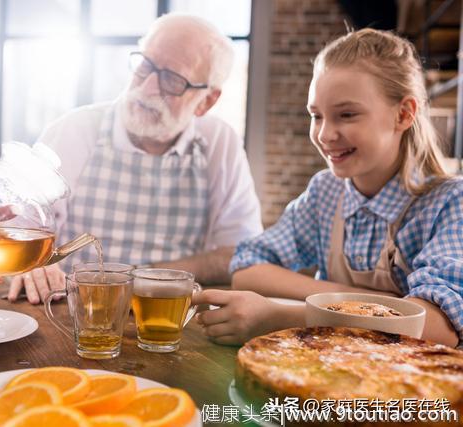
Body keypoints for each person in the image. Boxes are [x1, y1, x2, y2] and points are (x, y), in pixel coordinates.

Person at [193, 28, 463, 348]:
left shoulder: (450, 202)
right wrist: (367, 300)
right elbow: (247, 267)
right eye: (317, 116)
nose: (324, 134)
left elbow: (438, 324)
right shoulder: (326, 192)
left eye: (346, 115)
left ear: (404, 114)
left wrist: (278, 316)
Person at [8, 13, 263, 304]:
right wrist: (31, 265)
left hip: (169, 314)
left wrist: (142, 280)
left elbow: (240, 254)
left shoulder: (219, 142)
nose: (148, 88)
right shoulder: (74, 130)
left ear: (206, 101)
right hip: (71, 310)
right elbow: (19, 228)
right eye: (145, 66)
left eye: (171, 79)